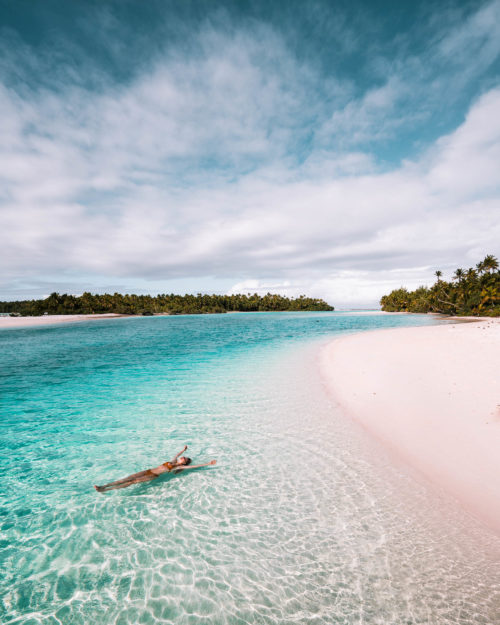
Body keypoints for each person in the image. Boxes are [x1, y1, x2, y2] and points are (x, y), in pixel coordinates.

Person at [94, 445, 216, 492]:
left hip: (151, 476)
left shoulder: (175, 468)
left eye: (185, 458)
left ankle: (105, 490)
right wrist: (183, 450)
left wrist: (208, 464)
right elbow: (176, 455)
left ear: (184, 463)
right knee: (127, 478)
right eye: (183, 457)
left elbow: (194, 466)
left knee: (130, 482)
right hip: (148, 470)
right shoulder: (173, 461)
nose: (182, 457)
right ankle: (103, 486)